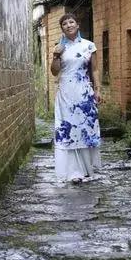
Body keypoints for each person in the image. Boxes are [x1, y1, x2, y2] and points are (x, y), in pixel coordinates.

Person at [50, 12, 101, 184]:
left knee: (85, 128)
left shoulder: (89, 46)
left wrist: (97, 90)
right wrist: (56, 55)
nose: (69, 25)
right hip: (66, 92)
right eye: (65, 24)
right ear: (62, 28)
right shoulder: (59, 47)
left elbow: (94, 70)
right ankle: (73, 171)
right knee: (68, 129)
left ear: (77, 25)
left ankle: (87, 169)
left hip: (84, 92)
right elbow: (54, 71)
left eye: (71, 22)